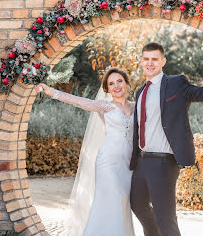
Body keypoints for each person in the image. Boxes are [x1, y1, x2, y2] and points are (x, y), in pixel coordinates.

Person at [130, 42, 203, 236]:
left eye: (154, 59)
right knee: (138, 205)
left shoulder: (176, 83)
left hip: (164, 161)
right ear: (141, 61)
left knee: (165, 218)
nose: (150, 63)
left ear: (163, 61)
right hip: (142, 161)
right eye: (146, 59)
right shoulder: (141, 91)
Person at [35, 67, 136, 236]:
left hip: (128, 163)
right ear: (107, 89)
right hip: (108, 162)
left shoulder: (136, 106)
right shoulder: (105, 106)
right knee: (111, 198)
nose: (116, 86)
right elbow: (79, 101)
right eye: (111, 84)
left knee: (123, 201)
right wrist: (52, 92)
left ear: (126, 83)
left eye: (119, 81)